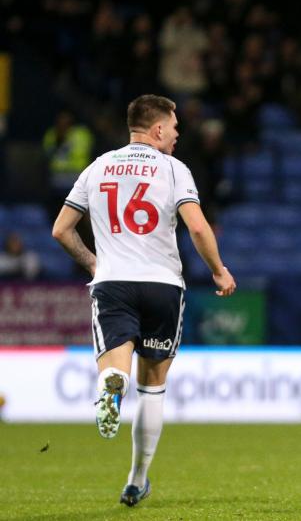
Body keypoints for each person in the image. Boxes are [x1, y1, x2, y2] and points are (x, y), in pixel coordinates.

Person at [51, 94, 236, 507]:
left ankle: (109, 383)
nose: (177, 135)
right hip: (162, 285)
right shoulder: (173, 168)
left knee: (115, 368)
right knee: (153, 386)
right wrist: (218, 270)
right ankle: (136, 480)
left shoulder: (98, 166)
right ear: (157, 129)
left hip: (114, 281)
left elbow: (61, 229)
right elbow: (198, 227)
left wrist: (94, 263)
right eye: (174, 127)